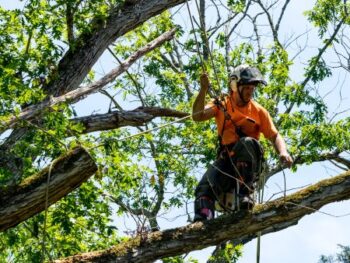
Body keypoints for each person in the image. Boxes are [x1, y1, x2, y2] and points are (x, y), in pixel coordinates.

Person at [192, 64, 293, 221]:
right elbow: (197, 116)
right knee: (204, 187)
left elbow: (274, 136)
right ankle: (203, 220)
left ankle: (245, 195)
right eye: (247, 87)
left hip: (248, 162)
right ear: (235, 85)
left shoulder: (259, 111)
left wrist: (283, 152)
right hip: (228, 160)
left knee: (246, 143)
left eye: (253, 88)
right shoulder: (222, 103)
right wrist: (203, 89)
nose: (250, 91)